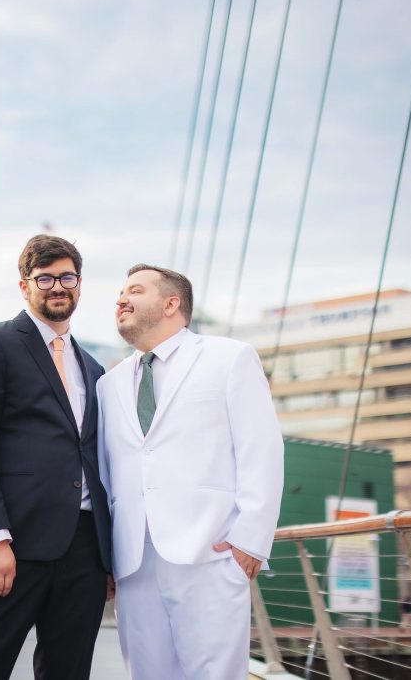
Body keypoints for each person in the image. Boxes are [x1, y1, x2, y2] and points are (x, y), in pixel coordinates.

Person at [97, 264, 284, 679]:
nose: (121, 299)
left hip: (211, 553)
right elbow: (108, 474)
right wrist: (107, 559)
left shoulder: (229, 357)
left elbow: (262, 450)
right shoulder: (108, 384)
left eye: (135, 290)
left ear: (171, 303)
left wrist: (250, 543)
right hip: (133, 562)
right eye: (120, 292)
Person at [0, 234, 113, 680]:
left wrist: (107, 556)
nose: (57, 287)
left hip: (83, 550)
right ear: (24, 286)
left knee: (69, 671)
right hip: (12, 543)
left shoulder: (94, 369)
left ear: (79, 285)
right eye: (44, 278)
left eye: (67, 277)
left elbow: (96, 461)